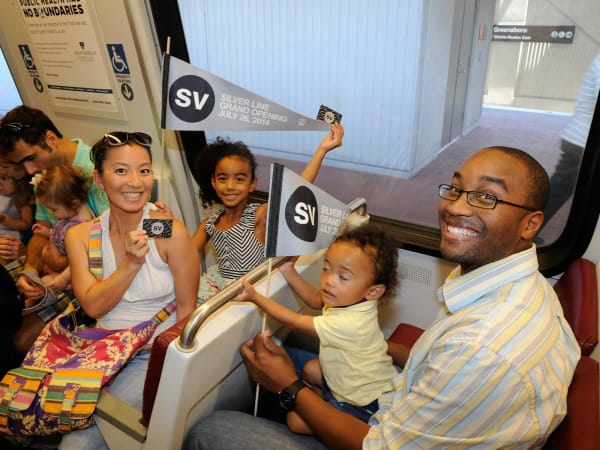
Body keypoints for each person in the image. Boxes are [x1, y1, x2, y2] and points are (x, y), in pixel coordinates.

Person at [183, 146, 580, 450]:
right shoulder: (511, 284)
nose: (456, 207)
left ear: (530, 223)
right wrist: (376, 345)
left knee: (211, 430)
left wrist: (287, 386)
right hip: (400, 402)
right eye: (456, 189)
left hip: (376, 431)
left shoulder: (482, 349)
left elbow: (377, 446)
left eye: (487, 197)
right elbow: (436, 361)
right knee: (302, 344)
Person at [59, 131, 199, 449]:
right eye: (121, 170)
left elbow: (187, 312)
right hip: (99, 350)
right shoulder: (81, 236)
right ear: (99, 179)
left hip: (149, 353)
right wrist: (130, 264)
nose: (135, 182)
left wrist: (174, 369)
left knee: (77, 445)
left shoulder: (164, 229)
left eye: (144, 170)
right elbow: (93, 307)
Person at [235, 224, 398, 432]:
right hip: (348, 380)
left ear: (373, 292)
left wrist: (255, 297)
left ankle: (330, 411)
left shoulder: (351, 323)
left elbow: (294, 321)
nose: (329, 281)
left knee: (295, 422)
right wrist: (288, 270)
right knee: (311, 368)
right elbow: (314, 299)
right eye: (326, 269)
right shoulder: (353, 298)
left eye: (343, 277)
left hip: (361, 401)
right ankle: (325, 403)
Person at [0, 105, 109, 352]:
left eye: (30, 158)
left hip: (81, 274)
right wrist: (30, 272)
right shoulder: (48, 176)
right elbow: (42, 229)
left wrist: (57, 265)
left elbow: (107, 248)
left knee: (20, 340)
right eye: (21, 163)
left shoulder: (99, 169)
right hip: (55, 260)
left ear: (50, 138)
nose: (29, 171)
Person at [192, 123, 344, 301]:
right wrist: (168, 224)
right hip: (217, 288)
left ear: (252, 184)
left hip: (251, 292)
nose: (230, 186)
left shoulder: (259, 216)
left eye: (239, 179)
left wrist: (321, 150)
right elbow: (184, 254)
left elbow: (295, 194)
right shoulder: (209, 224)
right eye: (223, 178)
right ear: (213, 182)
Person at [544, 53, 600, 224]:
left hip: (580, 139)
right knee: (560, 191)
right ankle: (526, 229)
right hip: (582, 141)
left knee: (561, 189)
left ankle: (528, 228)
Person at [31, 164, 94, 293]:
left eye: (54, 209)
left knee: (45, 285)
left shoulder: (84, 227)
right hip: (57, 264)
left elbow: (81, 260)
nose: (51, 213)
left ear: (74, 204)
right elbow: (62, 234)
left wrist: (63, 279)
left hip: (72, 272)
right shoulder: (69, 214)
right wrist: (48, 232)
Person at [0, 172, 33, 241]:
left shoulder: (21, 199)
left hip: (8, 236)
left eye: (4, 178)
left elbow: (26, 224)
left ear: (18, 181)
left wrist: (4, 219)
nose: (0, 183)